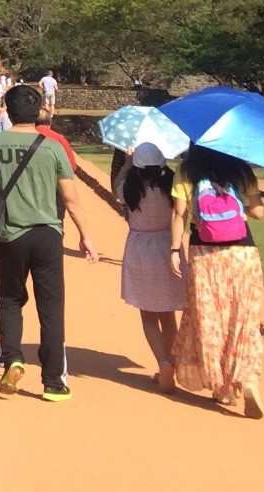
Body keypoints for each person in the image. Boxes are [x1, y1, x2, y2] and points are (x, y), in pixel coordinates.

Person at [0, 82, 98, 402]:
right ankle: (54, 381)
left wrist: (5, 191)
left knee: (10, 299)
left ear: (8, 109)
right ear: (39, 111)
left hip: (11, 234)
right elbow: (71, 199)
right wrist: (85, 236)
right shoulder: (52, 146)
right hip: (48, 234)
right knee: (52, 306)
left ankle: (13, 357)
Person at [171, 146, 264, 417]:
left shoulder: (187, 170)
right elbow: (258, 213)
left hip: (205, 254)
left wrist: (174, 250)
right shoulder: (241, 170)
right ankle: (247, 378)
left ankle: (223, 388)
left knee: (211, 320)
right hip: (242, 254)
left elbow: (179, 214)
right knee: (243, 320)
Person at [111, 142, 187, 390]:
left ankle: (163, 362)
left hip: (141, 248)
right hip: (167, 245)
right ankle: (170, 364)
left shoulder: (130, 189)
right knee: (167, 314)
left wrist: (127, 164)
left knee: (148, 315)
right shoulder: (170, 189)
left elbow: (115, 187)